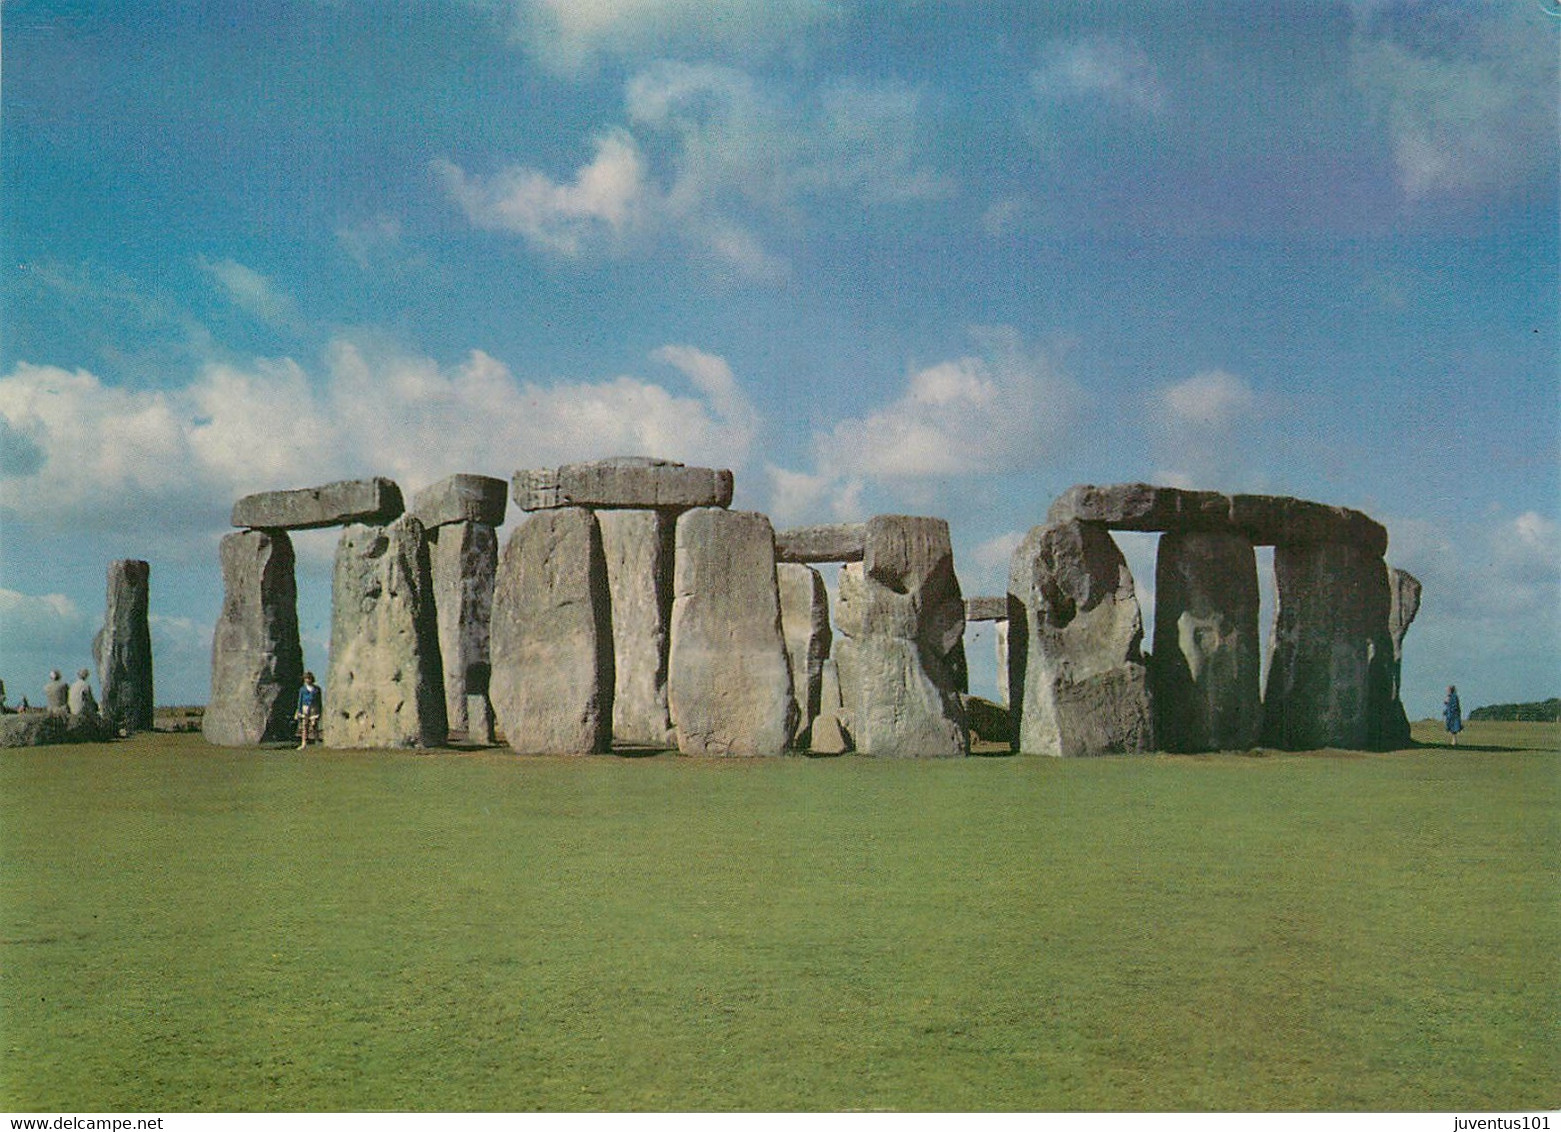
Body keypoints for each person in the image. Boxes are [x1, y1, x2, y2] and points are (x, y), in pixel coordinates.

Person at [296, 672, 322, 749]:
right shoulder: (302, 689)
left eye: (309, 678)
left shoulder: (317, 689)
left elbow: (319, 700)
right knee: (305, 725)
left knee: (314, 725)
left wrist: (320, 710)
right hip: (305, 707)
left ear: (312, 679)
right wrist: (299, 711)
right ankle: (303, 743)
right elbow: (300, 700)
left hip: (314, 707)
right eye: (306, 678)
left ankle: (317, 740)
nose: (307, 680)